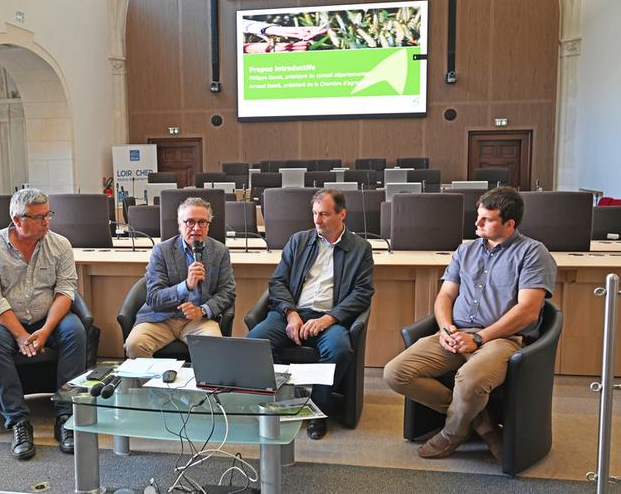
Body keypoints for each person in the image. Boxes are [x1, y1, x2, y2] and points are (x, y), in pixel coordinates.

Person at [383, 187, 557, 460]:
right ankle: (481, 423)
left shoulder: (533, 253)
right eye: (478, 216)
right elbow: (446, 296)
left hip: (502, 339)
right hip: (455, 333)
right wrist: (445, 328)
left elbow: (528, 312)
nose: (476, 223)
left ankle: (452, 433)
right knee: (395, 373)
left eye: (486, 219)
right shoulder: (465, 251)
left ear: (510, 224)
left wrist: (479, 338)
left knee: (469, 381)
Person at [247, 189, 375, 440]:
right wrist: (291, 313)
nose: (317, 220)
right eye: (315, 213)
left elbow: (362, 293)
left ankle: (316, 410)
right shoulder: (298, 241)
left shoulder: (360, 248)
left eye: (325, 214)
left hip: (330, 318)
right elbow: (278, 283)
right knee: (254, 343)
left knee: (339, 350)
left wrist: (329, 319)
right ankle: (280, 402)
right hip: (291, 313)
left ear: (342, 214)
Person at [0, 188, 86, 460]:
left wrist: (46, 330)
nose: (46, 222)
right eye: (38, 217)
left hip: (49, 317)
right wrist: (21, 335)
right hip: (7, 320)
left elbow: (65, 291)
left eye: (48, 214)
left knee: (75, 331)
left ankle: (66, 417)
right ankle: (18, 421)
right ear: (17, 220)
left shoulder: (60, 244)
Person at [125, 197, 236, 358]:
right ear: (180, 224)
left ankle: (201, 384)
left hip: (198, 320)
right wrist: (186, 286)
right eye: (190, 222)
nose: (196, 228)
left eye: (202, 222)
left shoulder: (220, 251)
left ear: (208, 226)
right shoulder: (161, 251)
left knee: (214, 347)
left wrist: (202, 310)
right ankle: (154, 383)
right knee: (134, 345)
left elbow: (227, 292)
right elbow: (153, 297)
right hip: (161, 318)